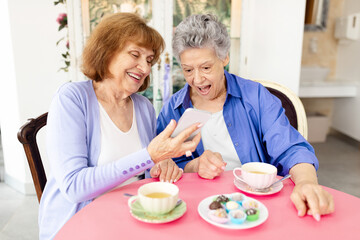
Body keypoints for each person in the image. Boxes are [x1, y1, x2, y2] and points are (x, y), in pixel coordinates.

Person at [157, 14, 334, 222]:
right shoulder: (173, 109)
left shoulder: (256, 96)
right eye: (188, 70)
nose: (197, 79)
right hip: (201, 208)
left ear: (224, 58)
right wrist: (195, 165)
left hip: (256, 204)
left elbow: (290, 148)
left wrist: (306, 182)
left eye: (206, 68)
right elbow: (167, 163)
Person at [39, 13, 201, 240]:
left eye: (149, 60)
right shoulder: (72, 98)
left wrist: (161, 164)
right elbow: (74, 187)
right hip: (82, 224)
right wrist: (149, 156)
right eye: (135, 54)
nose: (144, 67)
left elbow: (144, 170)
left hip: (132, 218)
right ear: (107, 51)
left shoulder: (143, 107)